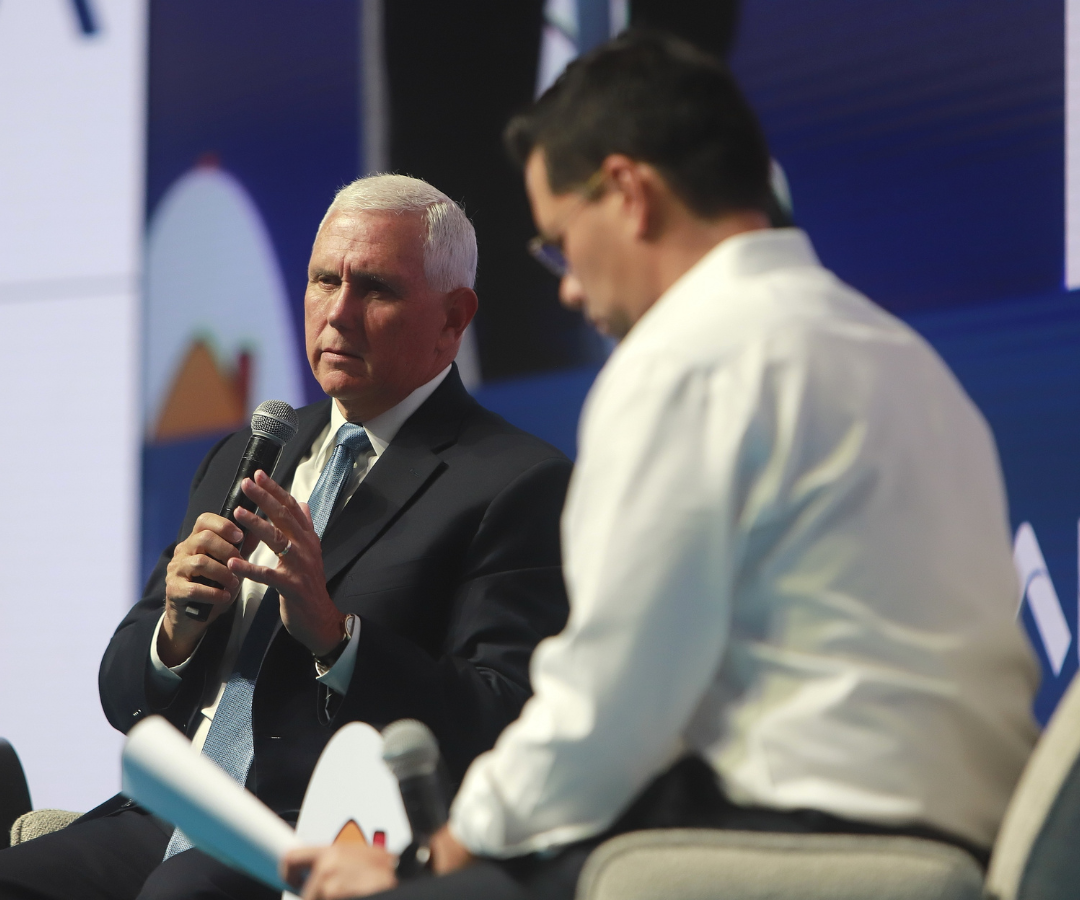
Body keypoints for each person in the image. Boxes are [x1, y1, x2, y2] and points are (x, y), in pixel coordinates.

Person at [280, 32, 1039, 900]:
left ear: (630, 195)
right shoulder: (905, 357)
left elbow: (607, 710)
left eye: (561, 240)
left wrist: (433, 855)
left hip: (790, 843)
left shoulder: (683, 359)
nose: (567, 288)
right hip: (974, 845)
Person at [0, 175, 571, 900]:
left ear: (453, 318)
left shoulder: (515, 482)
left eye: (376, 289)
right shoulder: (250, 451)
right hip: (169, 815)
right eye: (323, 279)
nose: (338, 313)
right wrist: (173, 632)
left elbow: (498, 721)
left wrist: (338, 638)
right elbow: (123, 692)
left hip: (319, 836)